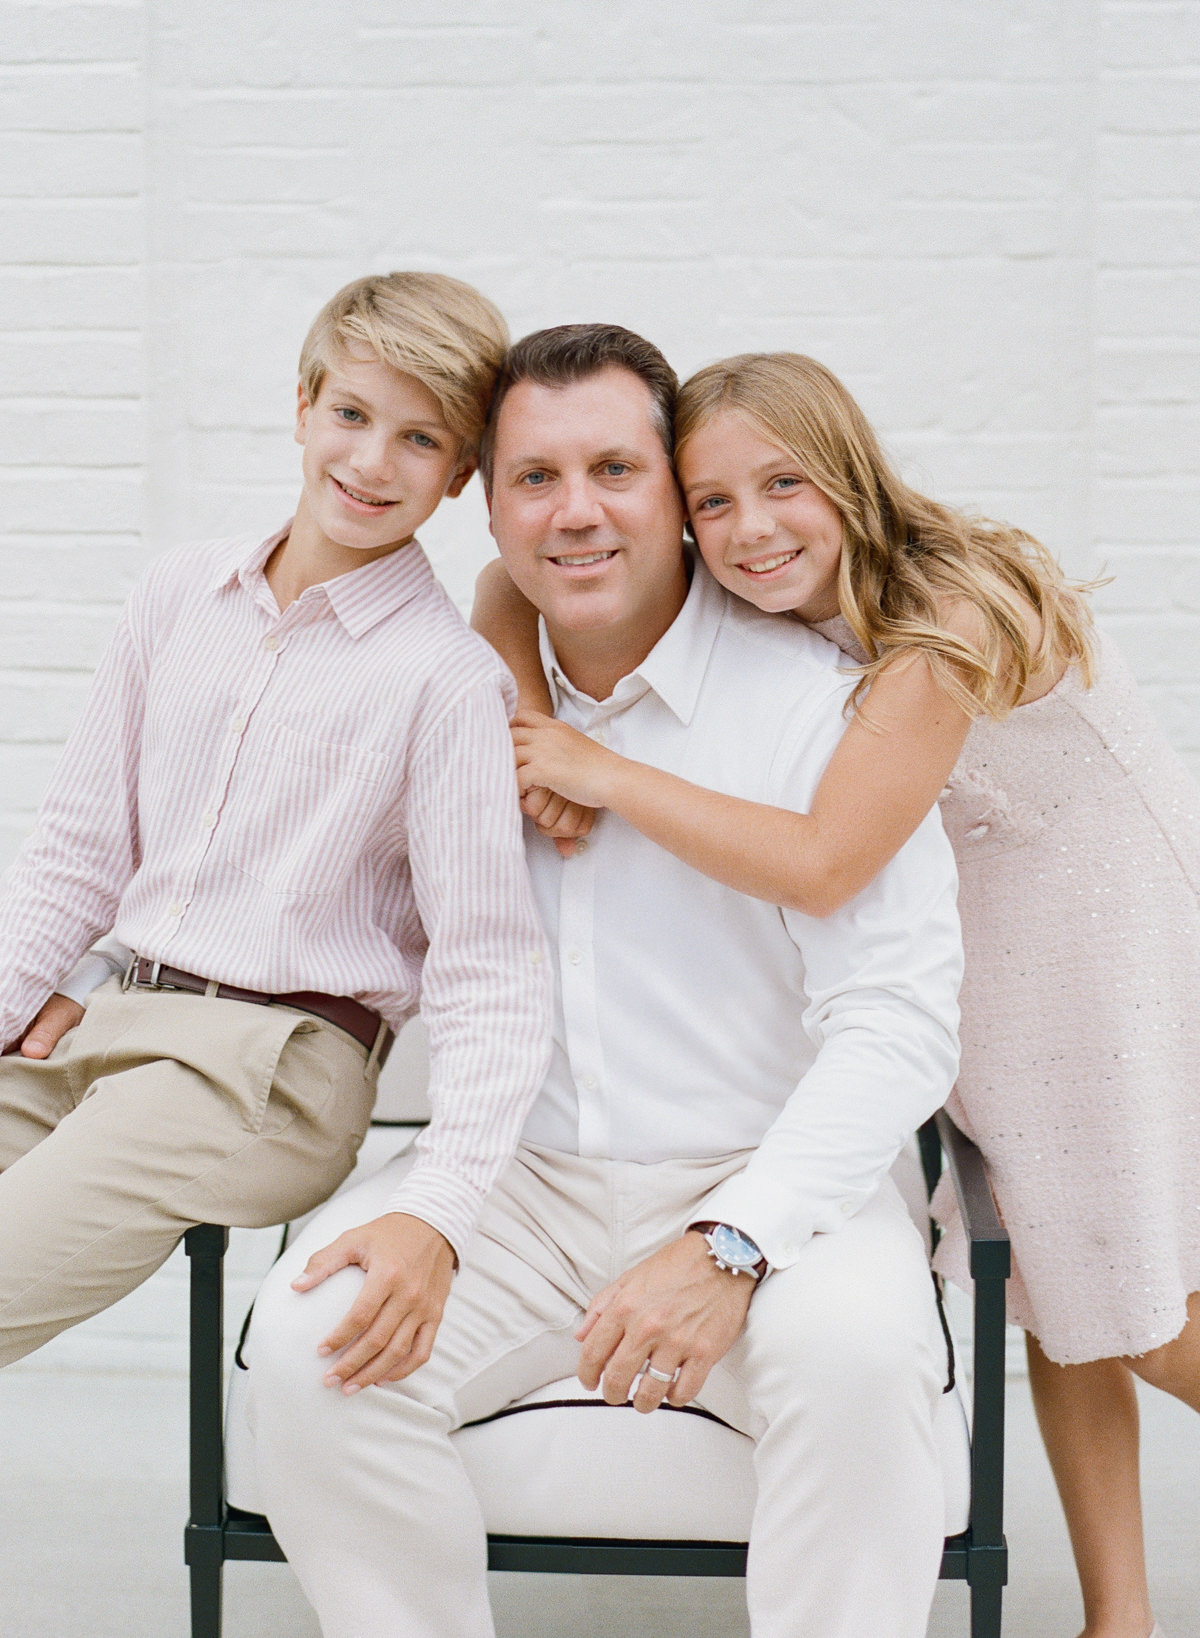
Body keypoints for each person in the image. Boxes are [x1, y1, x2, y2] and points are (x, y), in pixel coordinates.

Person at [221, 325, 965, 1638]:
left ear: (677, 492)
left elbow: (899, 1022)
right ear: (486, 506)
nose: (575, 513)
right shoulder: (458, 700)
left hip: (777, 1174)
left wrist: (738, 1236)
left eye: (616, 468)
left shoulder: (820, 708)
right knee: (307, 1342)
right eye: (534, 478)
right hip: (523, 1175)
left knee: (858, 1359)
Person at [493, 349, 1200, 1638]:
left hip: (1093, 944)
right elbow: (503, 581)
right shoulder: (775, 604)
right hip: (978, 937)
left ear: (852, 476)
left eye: (786, 485)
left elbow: (823, 863)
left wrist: (593, 770)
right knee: (1057, 1288)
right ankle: (1123, 1617)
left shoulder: (945, 620)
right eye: (712, 503)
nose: (750, 529)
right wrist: (540, 709)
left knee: (1140, 1311)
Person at [0, 272, 552, 1385]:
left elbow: (490, 962)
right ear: (302, 406)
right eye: (350, 415)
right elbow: (79, 849)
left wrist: (442, 1204)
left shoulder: (445, 681)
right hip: (113, 1019)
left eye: (419, 438)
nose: (370, 461)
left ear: (457, 474)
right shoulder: (175, 597)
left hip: (273, 1067)